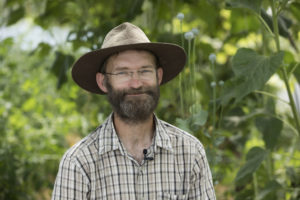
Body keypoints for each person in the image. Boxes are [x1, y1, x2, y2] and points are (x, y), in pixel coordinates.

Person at [52, 22, 216, 200]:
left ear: (158, 76)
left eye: (145, 71)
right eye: (123, 73)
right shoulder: (79, 161)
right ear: (103, 82)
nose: (136, 83)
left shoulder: (190, 153)